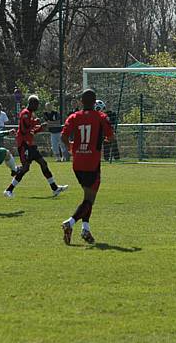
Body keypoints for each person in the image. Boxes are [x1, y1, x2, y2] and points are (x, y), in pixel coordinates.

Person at [60, 89, 114, 245]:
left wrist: (70, 147)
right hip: (92, 162)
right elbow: (111, 138)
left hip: (77, 163)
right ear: (95, 101)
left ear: (81, 102)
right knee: (90, 198)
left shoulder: (73, 117)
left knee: (87, 197)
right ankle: (69, 223)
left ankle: (85, 228)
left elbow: (63, 137)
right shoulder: (101, 117)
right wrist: (101, 140)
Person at [3, 95, 68, 198]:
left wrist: (40, 128)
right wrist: (35, 123)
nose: (38, 106)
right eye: (37, 104)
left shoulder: (30, 114)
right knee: (25, 168)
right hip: (24, 144)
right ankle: (8, 190)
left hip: (30, 144)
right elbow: (24, 130)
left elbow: (30, 131)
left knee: (43, 163)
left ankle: (55, 188)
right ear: (32, 103)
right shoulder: (25, 114)